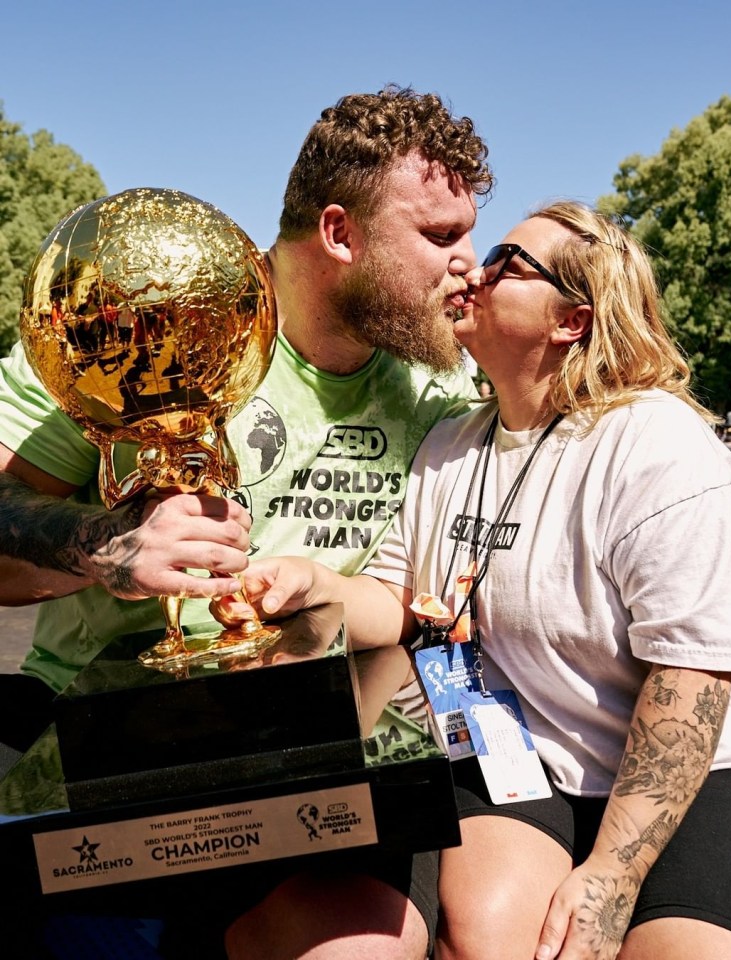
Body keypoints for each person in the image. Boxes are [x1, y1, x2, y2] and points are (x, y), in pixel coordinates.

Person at [0, 85, 492, 959]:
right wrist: (110, 548)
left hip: (322, 749)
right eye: (440, 236)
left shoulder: (439, 390)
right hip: (99, 736)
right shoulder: (144, 313)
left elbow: (424, 597)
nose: (469, 262)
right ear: (340, 234)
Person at [228, 202, 731, 960]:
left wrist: (610, 877)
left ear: (571, 322)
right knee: (487, 938)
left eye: (509, 263)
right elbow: (397, 597)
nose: (475, 271)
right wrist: (311, 586)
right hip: (527, 751)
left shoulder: (660, 449)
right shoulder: (452, 442)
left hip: (697, 768)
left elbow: (693, 682)